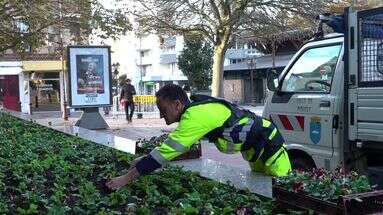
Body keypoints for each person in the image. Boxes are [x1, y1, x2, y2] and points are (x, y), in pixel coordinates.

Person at [106, 84, 291, 190]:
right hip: (255, 148)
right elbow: (173, 147)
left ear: (177, 105)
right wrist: (143, 159)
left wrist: (125, 178)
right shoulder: (194, 111)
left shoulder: (195, 117)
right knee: (264, 189)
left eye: (163, 110)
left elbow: (167, 152)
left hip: (270, 145)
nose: (162, 116)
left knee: (284, 191)